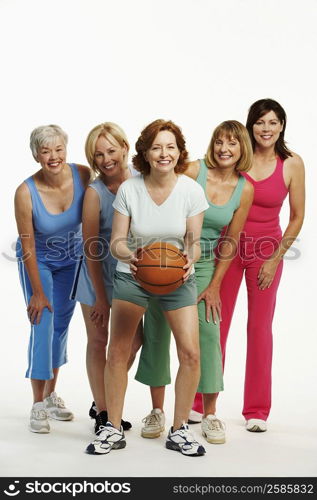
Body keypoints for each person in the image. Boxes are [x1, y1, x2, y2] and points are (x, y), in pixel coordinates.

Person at [85, 119, 209, 457]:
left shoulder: (191, 191)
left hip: (178, 276)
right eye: (157, 147)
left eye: (171, 147)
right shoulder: (130, 189)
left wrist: (189, 260)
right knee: (118, 352)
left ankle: (180, 429)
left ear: (180, 152)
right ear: (145, 153)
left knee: (191, 353)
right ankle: (111, 427)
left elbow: (194, 243)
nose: (164, 153)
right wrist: (133, 255)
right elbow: (116, 243)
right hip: (133, 273)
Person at [135, 121, 254, 445]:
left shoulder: (246, 188)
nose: (224, 149)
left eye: (231, 143)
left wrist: (214, 285)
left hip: (202, 265)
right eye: (219, 141)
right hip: (165, 256)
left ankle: (211, 413)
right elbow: (153, 183)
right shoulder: (192, 170)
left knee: (208, 333)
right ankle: (157, 410)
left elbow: (231, 240)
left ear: (243, 148)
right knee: (157, 330)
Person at [195, 98, 305, 432]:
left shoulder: (292, 164)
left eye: (273, 122)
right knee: (215, 325)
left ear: (282, 125)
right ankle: (201, 402)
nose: (266, 129)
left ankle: (256, 410)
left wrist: (275, 259)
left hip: (266, 255)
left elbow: (297, 217)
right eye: (260, 122)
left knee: (259, 329)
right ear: (250, 125)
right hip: (225, 251)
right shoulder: (236, 157)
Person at [14, 124, 91, 433]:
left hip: (71, 260)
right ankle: (36, 404)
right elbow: (28, 245)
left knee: (60, 326)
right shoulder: (25, 192)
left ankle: (50, 395)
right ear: (36, 155)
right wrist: (37, 292)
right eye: (46, 151)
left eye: (58, 149)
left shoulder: (83, 175)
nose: (53, 156)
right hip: (39, 261)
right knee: (43, 322)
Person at [70, 122, 143, 433]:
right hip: (95, 272)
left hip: (129, 272)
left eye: (111, 150)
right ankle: (103, 412)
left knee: (133, 342)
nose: (106, 159)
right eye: (98, 154)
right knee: (99, 340)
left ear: (125, 148)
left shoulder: (141, 181)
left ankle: (103, 393)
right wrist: (100, 296)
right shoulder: (94, 193)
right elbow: (89, 247)